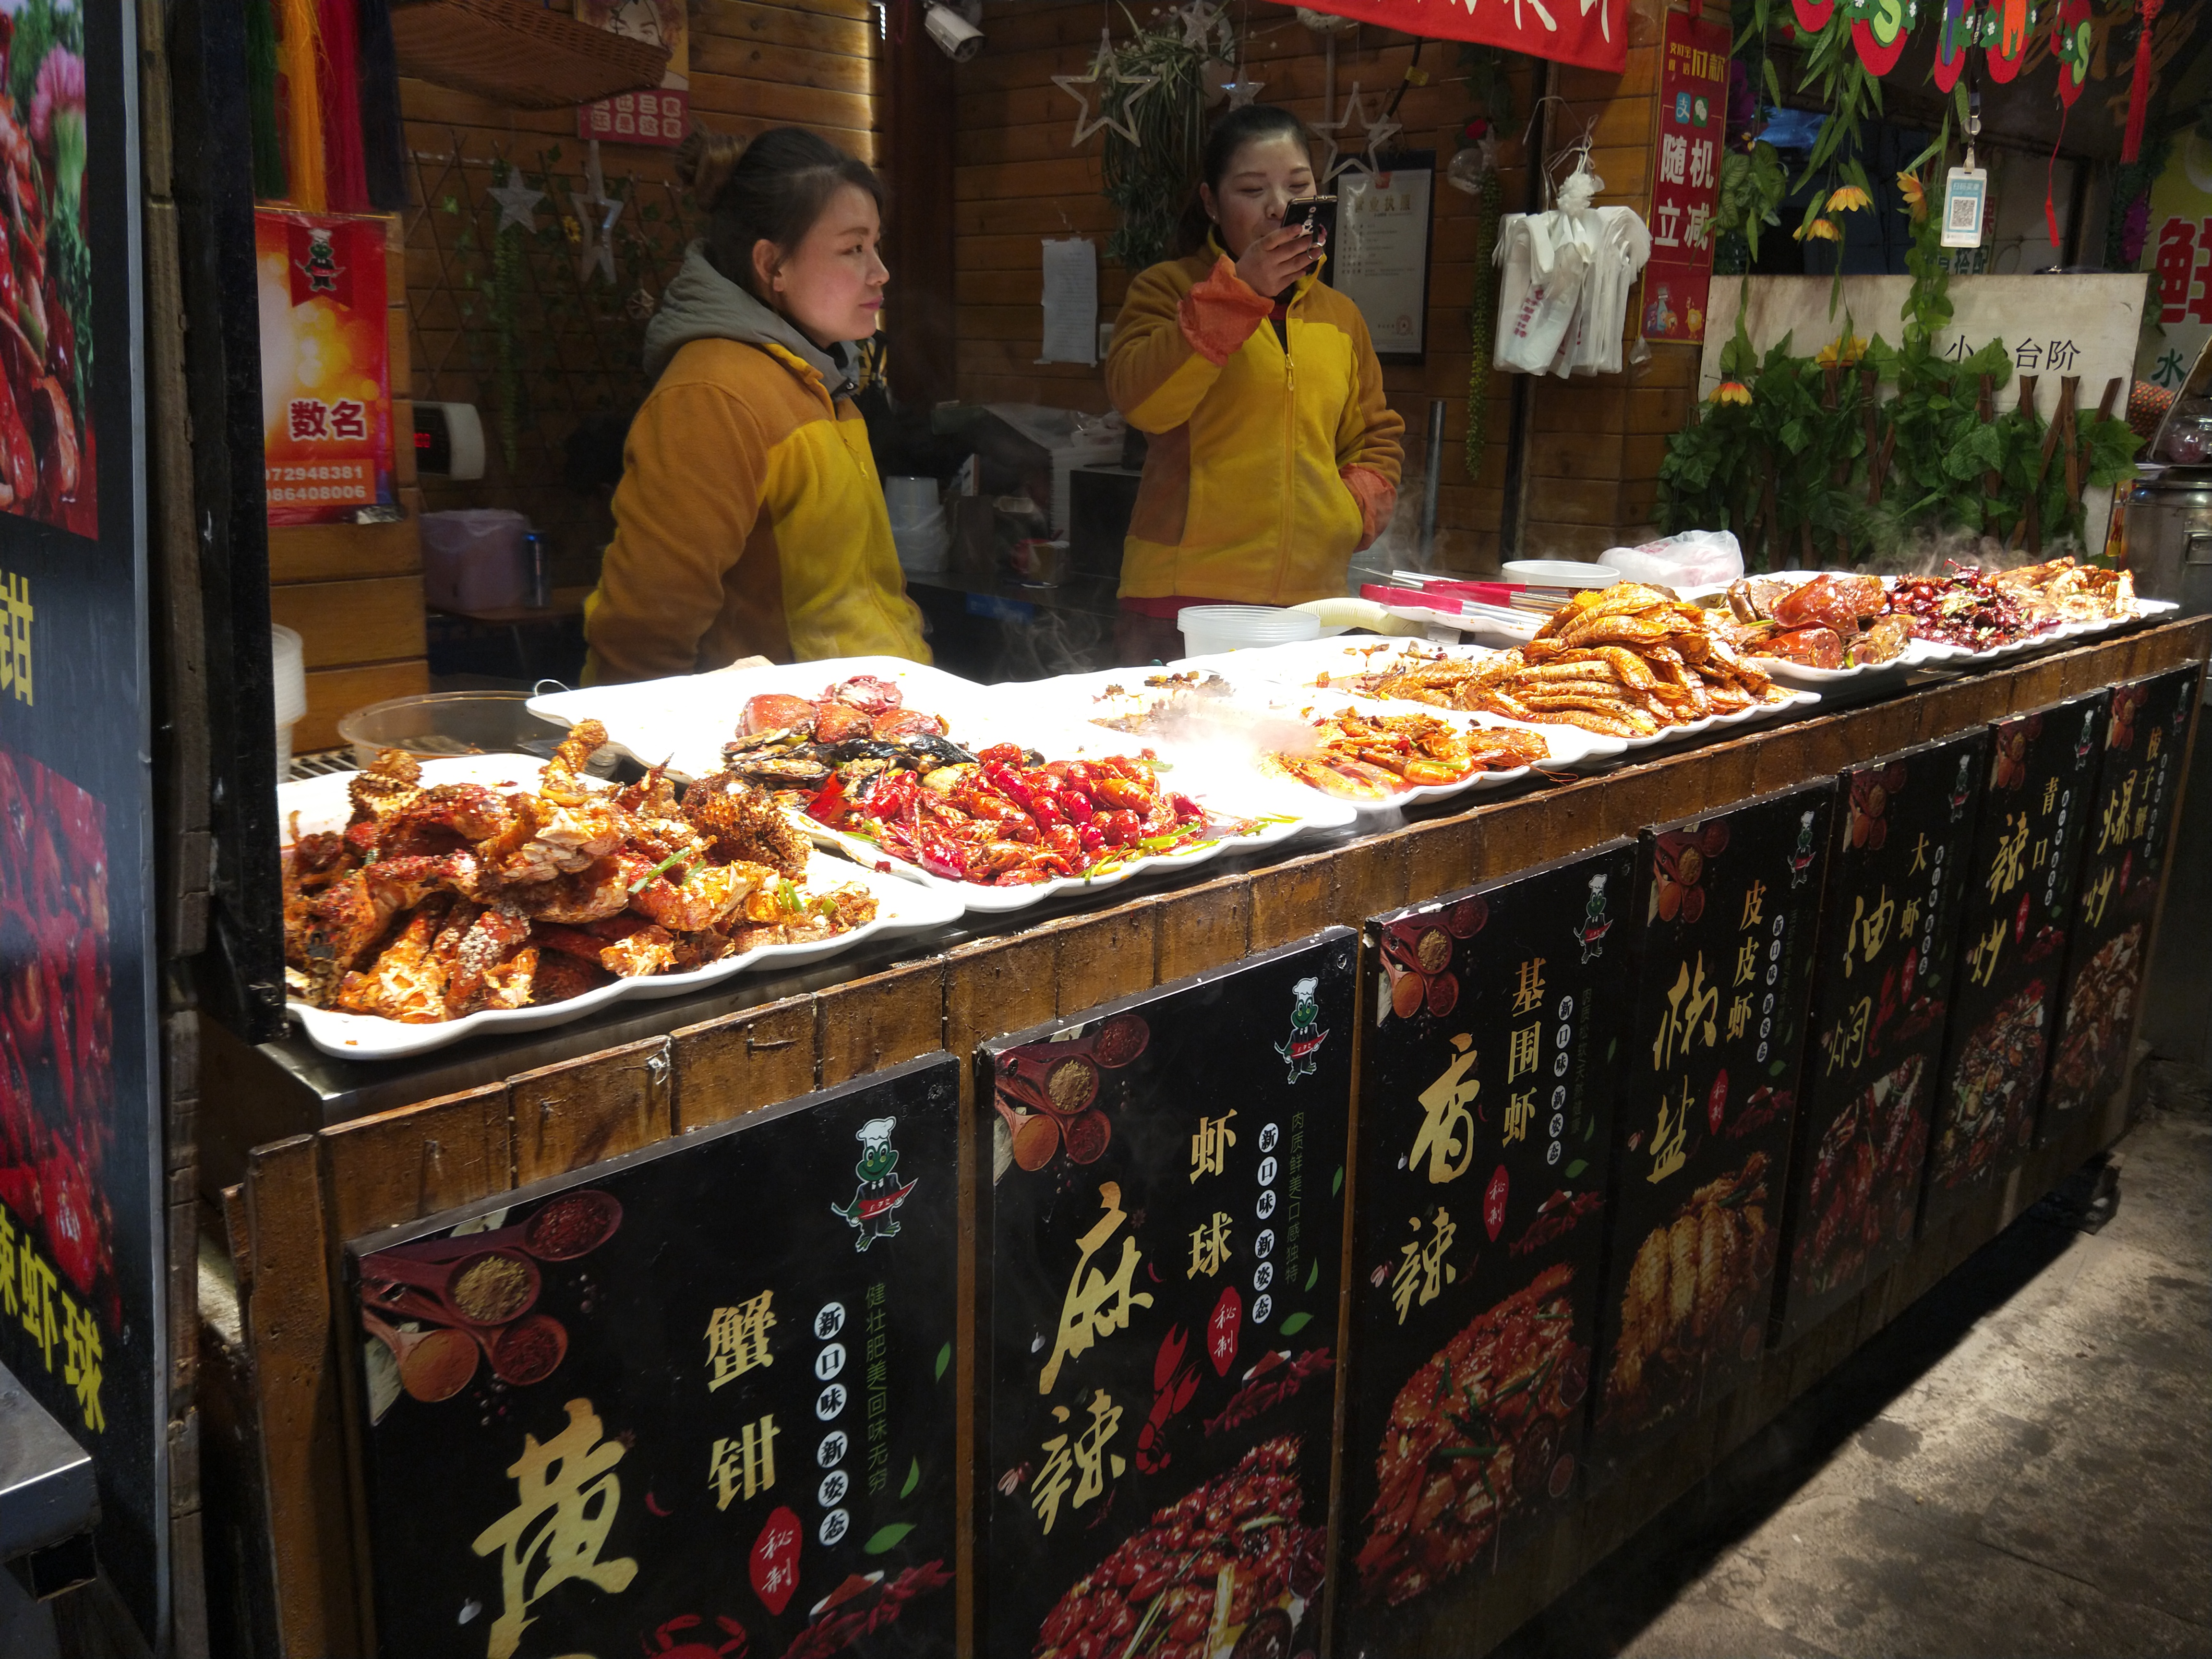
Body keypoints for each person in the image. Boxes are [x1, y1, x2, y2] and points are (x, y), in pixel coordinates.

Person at [583, 126, 927, 683]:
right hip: (781, 751)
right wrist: (632, 758)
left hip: (865, 734)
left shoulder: (816, 382)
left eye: (876, 244)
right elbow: (644, 629)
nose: (880, 271)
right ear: (773, 266)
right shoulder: (714, 395)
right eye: (853, 248)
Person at [1105, 104, 1405, 661]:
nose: (1278, 209)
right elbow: (1143, 401)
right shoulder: (1167, 289)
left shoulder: (1340, 316)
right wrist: (1239, 292)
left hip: (1310, 606)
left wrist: (1348, 512)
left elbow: (1376, 438)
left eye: (1297, 185)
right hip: (1182, 602)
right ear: (1212, 203)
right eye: (1251, 190)